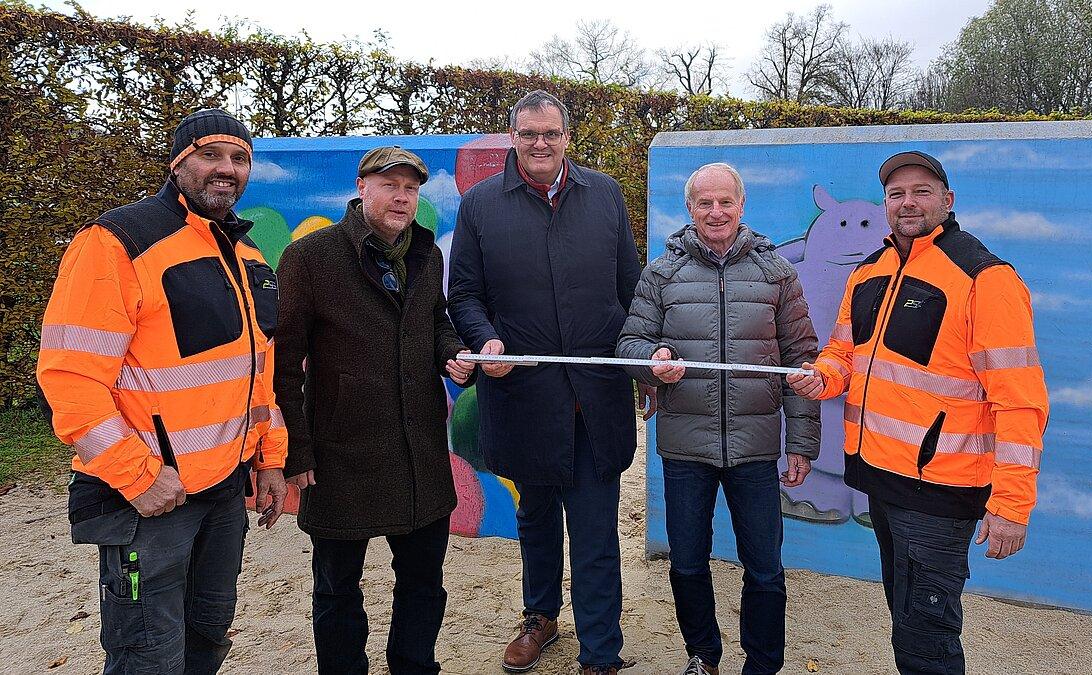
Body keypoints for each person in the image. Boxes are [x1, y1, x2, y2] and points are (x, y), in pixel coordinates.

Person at [36, 108, 289, 674]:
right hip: (149, 498)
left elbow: (257, 373)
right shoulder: (116, 241)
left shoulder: (246, 256)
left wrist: (270, 459)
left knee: (208, 637)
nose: (227, 168)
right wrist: (137, 476)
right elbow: (71, 376)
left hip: (223, 490)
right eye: (210, 154)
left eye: (240, 158)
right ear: (177, 164)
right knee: (147, 654)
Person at [787, 151, 1049, 675]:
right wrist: (823, 377)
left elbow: (1021, 400)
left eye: (922, 191)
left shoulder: (985, 279)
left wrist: (1012, 505)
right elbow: (845, 353)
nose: (908, 202)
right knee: (906, 618)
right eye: (896, 193)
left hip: (939, 492)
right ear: (885, 205)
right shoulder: (871, 271)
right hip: (879, 479)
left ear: (947, 201)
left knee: (927, 633)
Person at [448, 89, 644, 675]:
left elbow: (631, 289)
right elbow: (464, 295)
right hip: (522, 396)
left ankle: (601, 650)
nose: (540, 144)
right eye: (529, 134)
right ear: (513, 137)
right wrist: (485, 341)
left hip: (595, 396)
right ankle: (539, 617)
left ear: (566, 138)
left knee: (594, 530)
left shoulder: (605, 195)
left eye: (551, 134)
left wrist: (639, 365)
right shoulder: (482, 205)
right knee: (535, 519)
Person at [273, 146, 476, 674]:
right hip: (343, 453)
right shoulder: (310, 257)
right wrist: (297, 448)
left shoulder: (426, 255)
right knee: (338, 588)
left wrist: (452, 354)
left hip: (418, 452)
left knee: (424, 583)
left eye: (410, 188)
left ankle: (415, 667)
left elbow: (436, 323)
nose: (402, 197)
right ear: (362, 188)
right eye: (390, 185)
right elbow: (285, 360)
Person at [616, 162, 820, 675]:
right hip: (686, 448)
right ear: (689, 209)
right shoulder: (661, 272)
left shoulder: (777, 272)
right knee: (686, 563)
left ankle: (763, 663)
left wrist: (801, 441)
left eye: (724, 201)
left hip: (755, 448)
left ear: (741, 206)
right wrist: (652, 360)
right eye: (704, 203)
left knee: (766, 569)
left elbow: (802, 359)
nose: (715, 212)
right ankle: (703, 654)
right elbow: (630, 344)